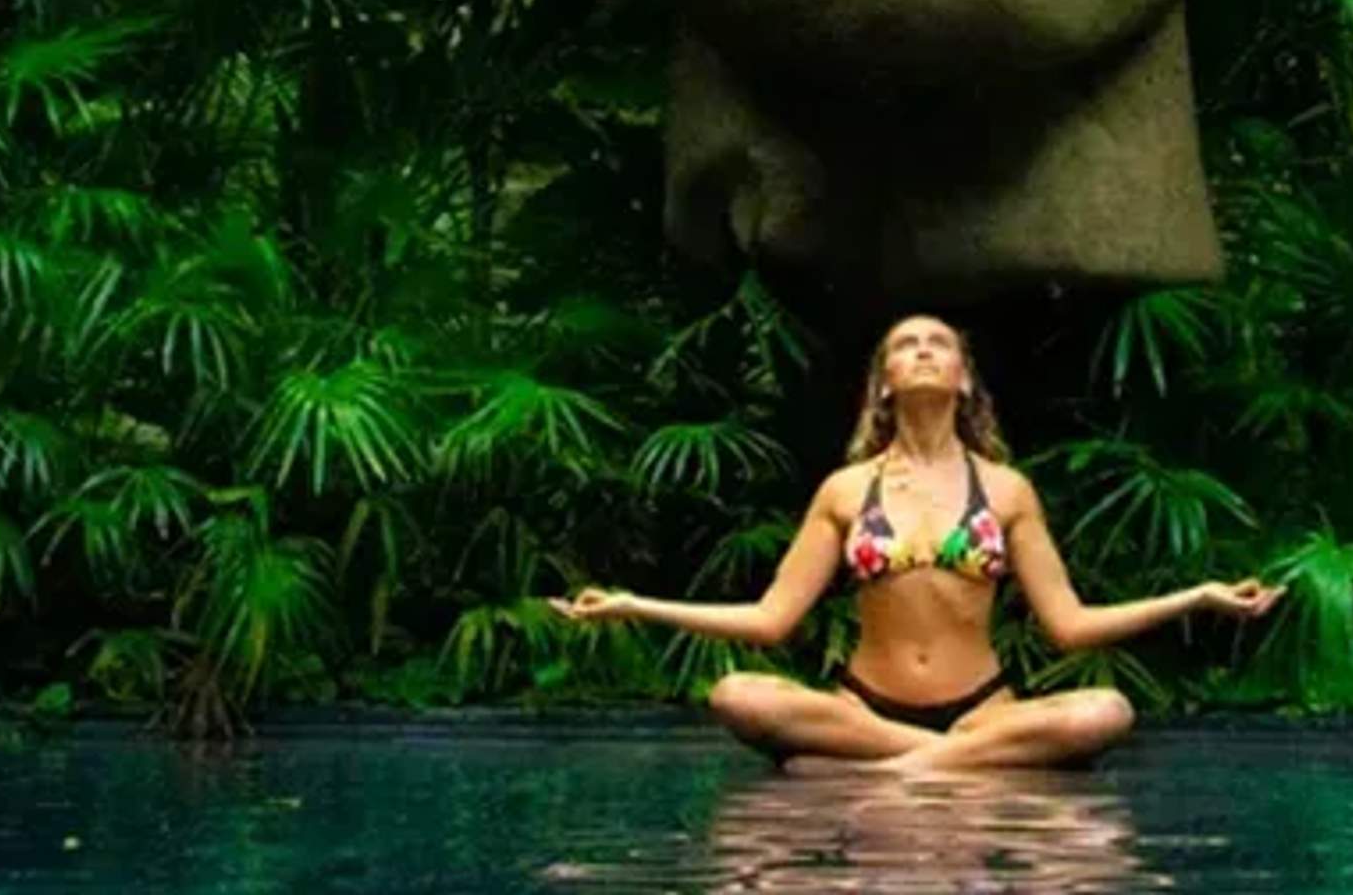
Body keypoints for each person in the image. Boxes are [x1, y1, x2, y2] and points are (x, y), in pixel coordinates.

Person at [546, 312, 1281, 768]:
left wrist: (1199, 595)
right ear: (884, 384)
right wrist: (636, 603)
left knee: (1105, 711)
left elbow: (1070, 626)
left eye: (940, 344)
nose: (925, 352)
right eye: (906, 345)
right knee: (738, 694)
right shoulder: (844, 490)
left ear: (964, 380)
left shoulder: (1005, 490)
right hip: (862, 710)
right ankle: (944, 762)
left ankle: (894, 766)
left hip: (983, 709)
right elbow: (771, 621)